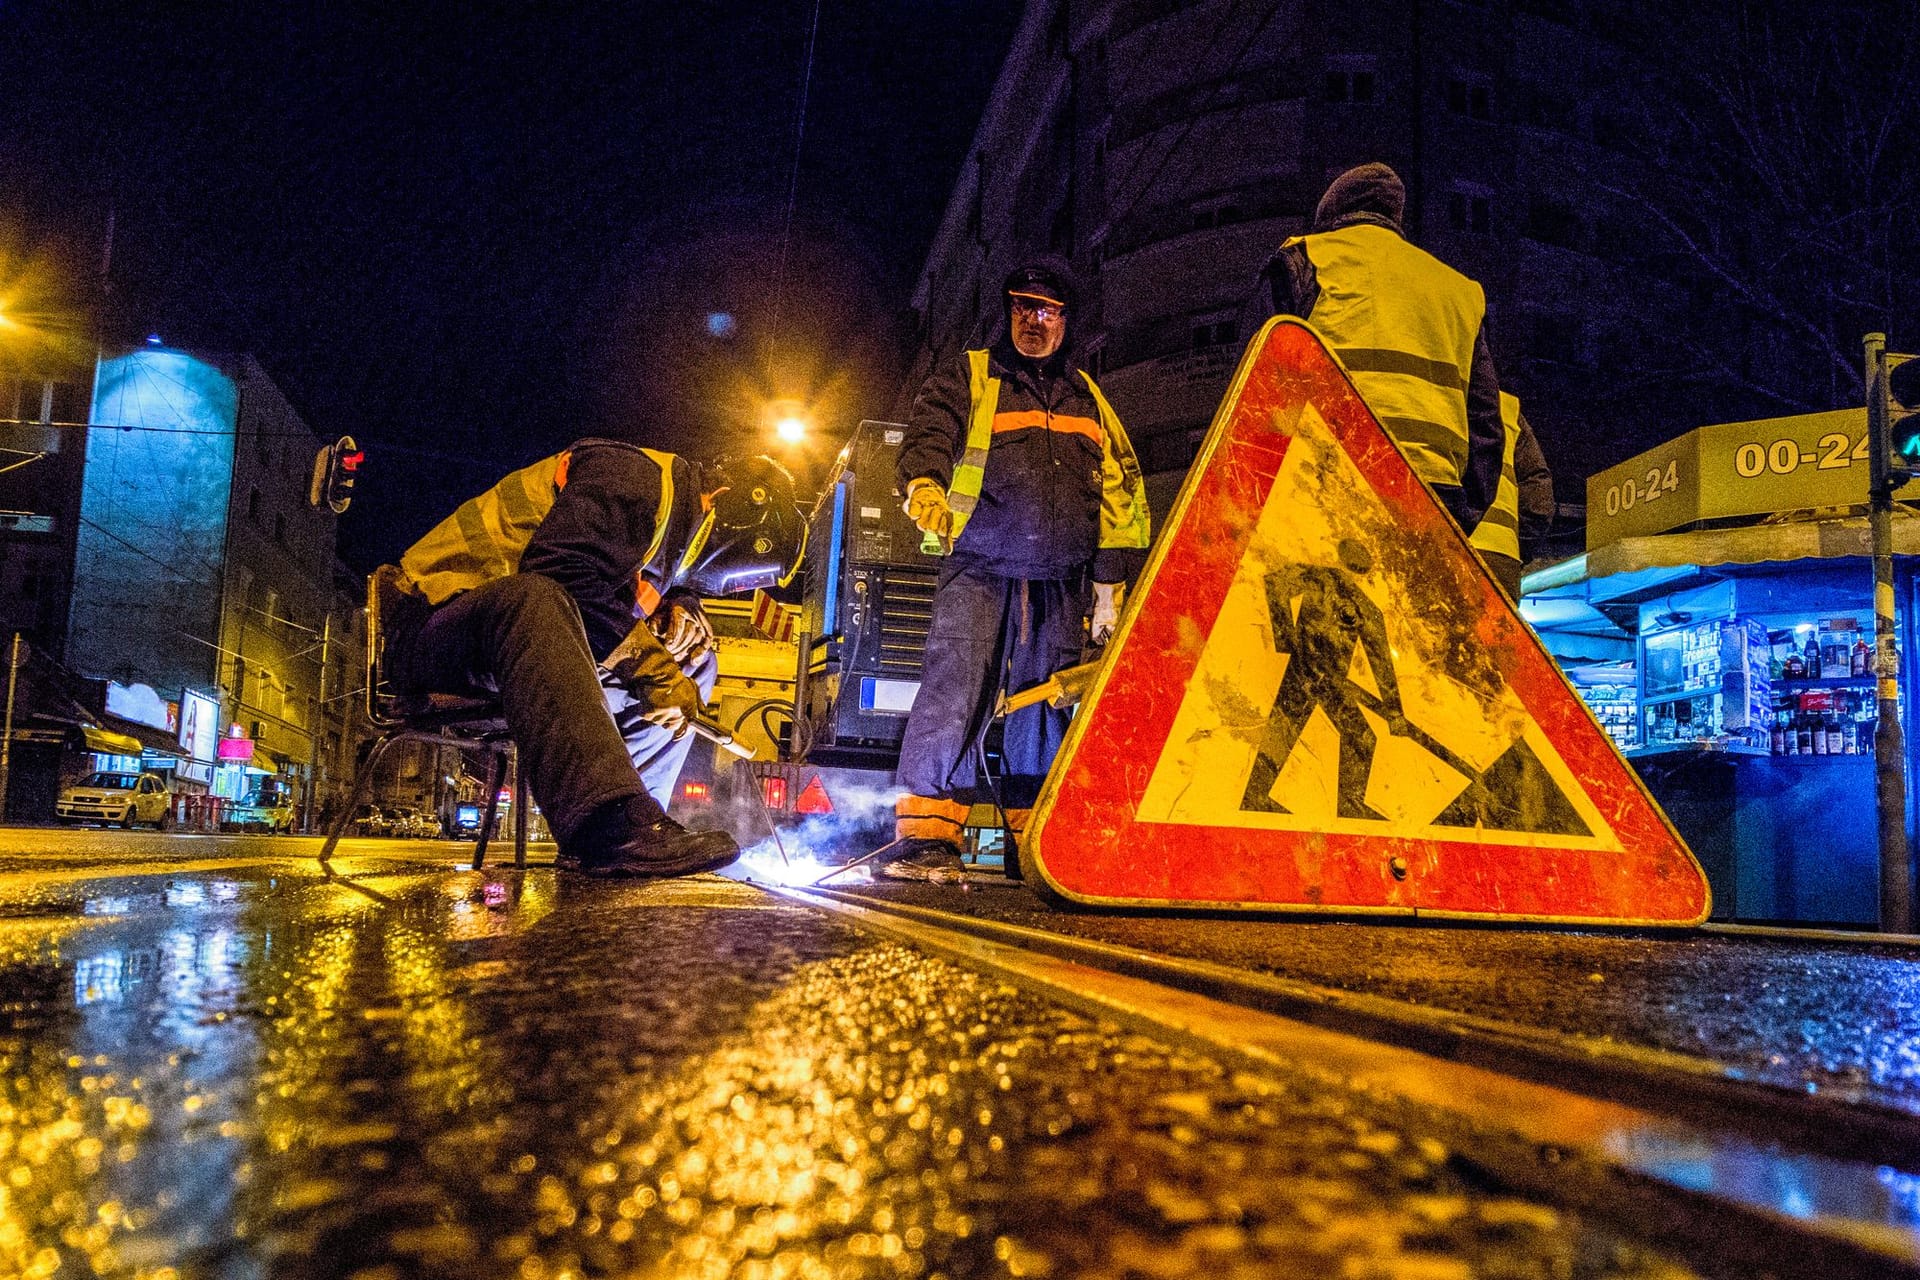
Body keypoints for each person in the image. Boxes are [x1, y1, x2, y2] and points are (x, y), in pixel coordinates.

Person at [390, 443, 806, 878]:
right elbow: (559, 570)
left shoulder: (663, 539)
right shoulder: (637, 479)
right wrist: (651, 669)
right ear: (731, 502)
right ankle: (608, 826)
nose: (737, 586)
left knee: (694, 662)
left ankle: (639, 822)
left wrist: (679, 607)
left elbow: (609, 593)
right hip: (436, 629)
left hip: (526, 659)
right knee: (535, 597)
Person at [889, 257, 1151, 882]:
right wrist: (923, 482)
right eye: (1022, 307)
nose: (1034, 320)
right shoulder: (973, 376)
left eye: (1048, 311)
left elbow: (1122, 491)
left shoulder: (1089, 399)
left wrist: (1110, 581)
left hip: (1061, 582)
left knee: (1046, 710)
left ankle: (1033, 849)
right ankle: (926, 839)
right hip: (979, 568)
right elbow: (931, 433)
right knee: (956, 693)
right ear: (1008, 313)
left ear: (1066, 321)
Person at [1247, 162, 1504, 533]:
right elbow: (1486, 426)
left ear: (1329, 217)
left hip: (1326, 483)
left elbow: (1255, 392)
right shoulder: (1458, 291)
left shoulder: (1308, 259)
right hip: (1431, 498)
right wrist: (1456, 522)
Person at [1469, 391, 1555, 600]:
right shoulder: (1507, 408)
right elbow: (1538, 503)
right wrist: (1515, 552)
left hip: (1425, 541)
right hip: (1497, 558)